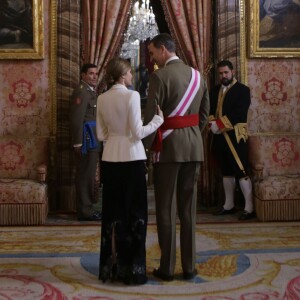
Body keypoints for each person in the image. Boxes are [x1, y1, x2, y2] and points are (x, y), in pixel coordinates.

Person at [143, 33, 210, 281]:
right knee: (188, 210)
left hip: (168, 149)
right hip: (193, 148)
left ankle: (168, 268)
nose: (151, 59)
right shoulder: (198, 76)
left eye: (152, 53)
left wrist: (146, 148)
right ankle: (190, 267)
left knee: (166, 209)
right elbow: (204, 114)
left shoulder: (159, 77)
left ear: (162, 50)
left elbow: (151, 117)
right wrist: (191, 134)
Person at [96, 57, 164, 285]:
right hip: (132, 159)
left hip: (110, 160)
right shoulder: (132, 95)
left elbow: (100, 135)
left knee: (113, 216)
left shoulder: (102, 98)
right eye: (129, 73)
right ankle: (133, 271)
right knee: (135, 216)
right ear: (122, 75)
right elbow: (137, 132)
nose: (132, 76)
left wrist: (115, 137)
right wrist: (157, 121)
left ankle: (111, 268)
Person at [209, 60, 255, 221]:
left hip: (236, 137)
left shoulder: (242, 90)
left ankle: (249, 208)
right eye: (220, 73)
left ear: (232, 72)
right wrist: (212, 123)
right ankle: (228, 205)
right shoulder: (214, 91)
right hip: (219, 138)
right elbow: (209, 110)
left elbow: (239, 113)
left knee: (241, 171)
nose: (223, 76)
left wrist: (219, 125)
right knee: (226, 171)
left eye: (226, 73)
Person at [70, 63, 102, 221]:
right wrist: (77, 142)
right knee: (85, 176)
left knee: (89, 175)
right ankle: (85, 211)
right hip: (86, 140)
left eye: (96, 74)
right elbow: (76, 119)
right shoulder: (81, 92)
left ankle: (87, 208)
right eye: (91, 73)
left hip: (93, 139)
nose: (94, 76)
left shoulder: (90, 92)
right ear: (83, 75)